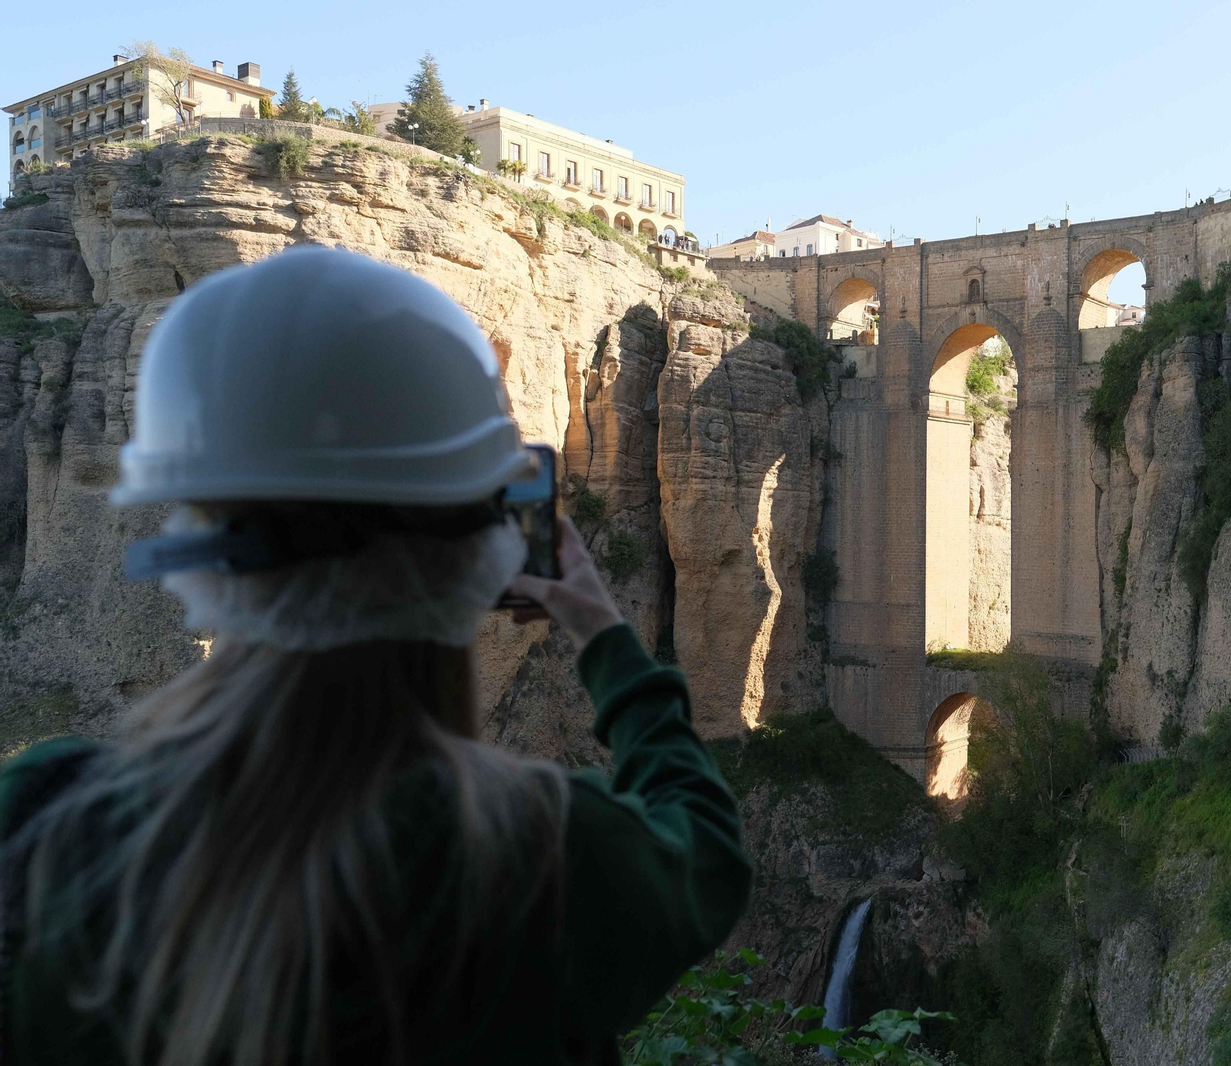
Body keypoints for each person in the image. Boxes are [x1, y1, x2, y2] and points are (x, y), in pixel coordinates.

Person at [0, 247, 750, 1065]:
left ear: (201, 543)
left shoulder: (41, 821)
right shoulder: (542, 855)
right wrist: (602, 630)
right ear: (483, 553)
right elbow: (704, 846)